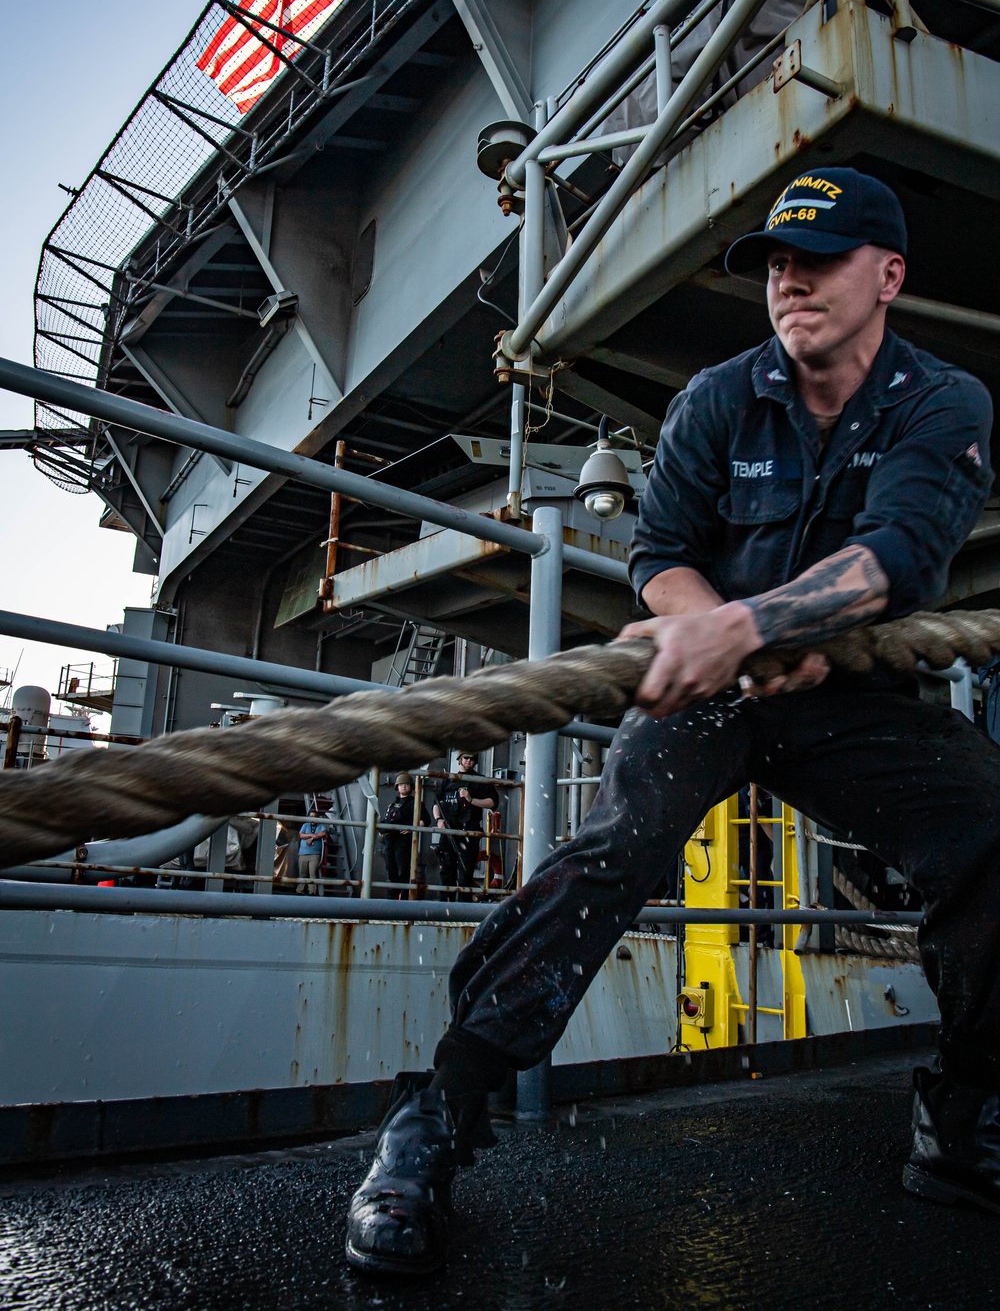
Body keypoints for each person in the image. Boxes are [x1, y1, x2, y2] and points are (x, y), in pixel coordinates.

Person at [345, 168, 1000, 1276]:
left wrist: (756, 627)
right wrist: (726, 636)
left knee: (991, 837)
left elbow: (903, 557)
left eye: (820, 260)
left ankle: (959, 1117)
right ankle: (430, 1125)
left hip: (854, 702)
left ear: (886, 276)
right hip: (709, 694)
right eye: (776, 266)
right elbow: (659, 561)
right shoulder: (716, 398)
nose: (790, 283)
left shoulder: (941, 399)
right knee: (615, 848)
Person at [431, 753, 498, 899]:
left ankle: (462, 908)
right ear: (460, 759)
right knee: (446, 871)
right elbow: (436, 802)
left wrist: (471, 799)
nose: (469, 761)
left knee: (465, 872)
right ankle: (445, 908)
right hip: (449, 831)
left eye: (472, 759)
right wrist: (438, 820)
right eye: (466, 758)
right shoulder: (448, 780)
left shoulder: (479, 780)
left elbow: (492, 802)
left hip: (469, 830)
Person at [380, 773, 426, 899]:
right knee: (391, 871)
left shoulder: (415, 803)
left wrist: (412, 827)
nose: (404, 787)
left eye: (406, 784)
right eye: (401, 785)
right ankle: (392, 901)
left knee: (403, 872)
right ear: (397, 787)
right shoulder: (392, 805)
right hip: (390, 841)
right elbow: (386, 820)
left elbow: (424, 821)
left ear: (411, 787)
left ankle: (404, 901)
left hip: (404, 841)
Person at [296, 814, 327, 895]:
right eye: (311, 816)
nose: (312, 818)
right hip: (303, 854)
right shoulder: (305, 825)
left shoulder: (321, 825)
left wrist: (313, 838)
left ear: (317, 817)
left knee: (312, 874)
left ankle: (312, 892)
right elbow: (301, 835)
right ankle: (300, 890)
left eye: (314, 816)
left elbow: (324, 833)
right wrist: (311, 835)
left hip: (315, 854)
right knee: (302, 874)